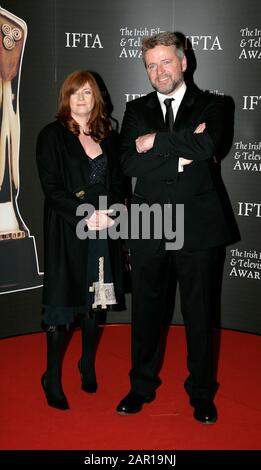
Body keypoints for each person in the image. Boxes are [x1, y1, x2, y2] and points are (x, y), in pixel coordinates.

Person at [116, 32, 234, 423]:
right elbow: (128, 165)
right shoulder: (136, 109)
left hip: (198, 226)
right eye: (151, 65)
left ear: (184, 62)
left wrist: (154, 142)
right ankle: (141, 386)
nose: (159, 71)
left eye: (166, 62)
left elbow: (209, 146)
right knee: (147, 311)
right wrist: (180, 153)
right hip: (150, 222)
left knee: (199, 313)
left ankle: (201, 392)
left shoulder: (214, 105)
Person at [36, 70, 124, 410]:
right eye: (75, 93)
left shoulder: (109, 136)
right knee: (61, 307)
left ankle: (86, 364)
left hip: (103, 232)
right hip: (69, 230)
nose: (82, 98)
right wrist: (87, 212)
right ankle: (52, 377)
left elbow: (118, 183)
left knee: (94, 306)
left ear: (96, 98)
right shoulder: (51, 136)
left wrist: (111, 212)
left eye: (88, 93)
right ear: (66, 98)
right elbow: (52, 188)